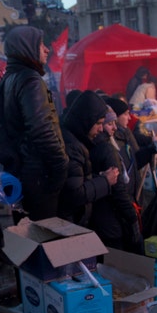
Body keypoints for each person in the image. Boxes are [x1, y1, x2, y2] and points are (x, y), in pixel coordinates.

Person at [0, 25, 68, 220]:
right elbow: (41, 129)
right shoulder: (30, 80)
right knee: (44, 237)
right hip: (39, 174)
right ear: (26, 48)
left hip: (23, 172)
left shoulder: (10, 78)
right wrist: (60, 164)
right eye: (41, 45)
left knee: (28, 236)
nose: (47, 49)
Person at [58, 90, 119, 226]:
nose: (101, 129)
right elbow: (74, 194)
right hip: (68, 223)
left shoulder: (75, 140)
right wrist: (105, 181)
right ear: (86, 120)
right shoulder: (72, 147)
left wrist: (97, 177)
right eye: (98, 123)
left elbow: (75, 180)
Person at [90, 106, 141, 253]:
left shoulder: (96, 145)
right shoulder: (106, 149)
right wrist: (132, 216)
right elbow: (118, 189)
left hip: (102, 219)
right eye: (108, 123)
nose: (114, 128)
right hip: (111, 219)